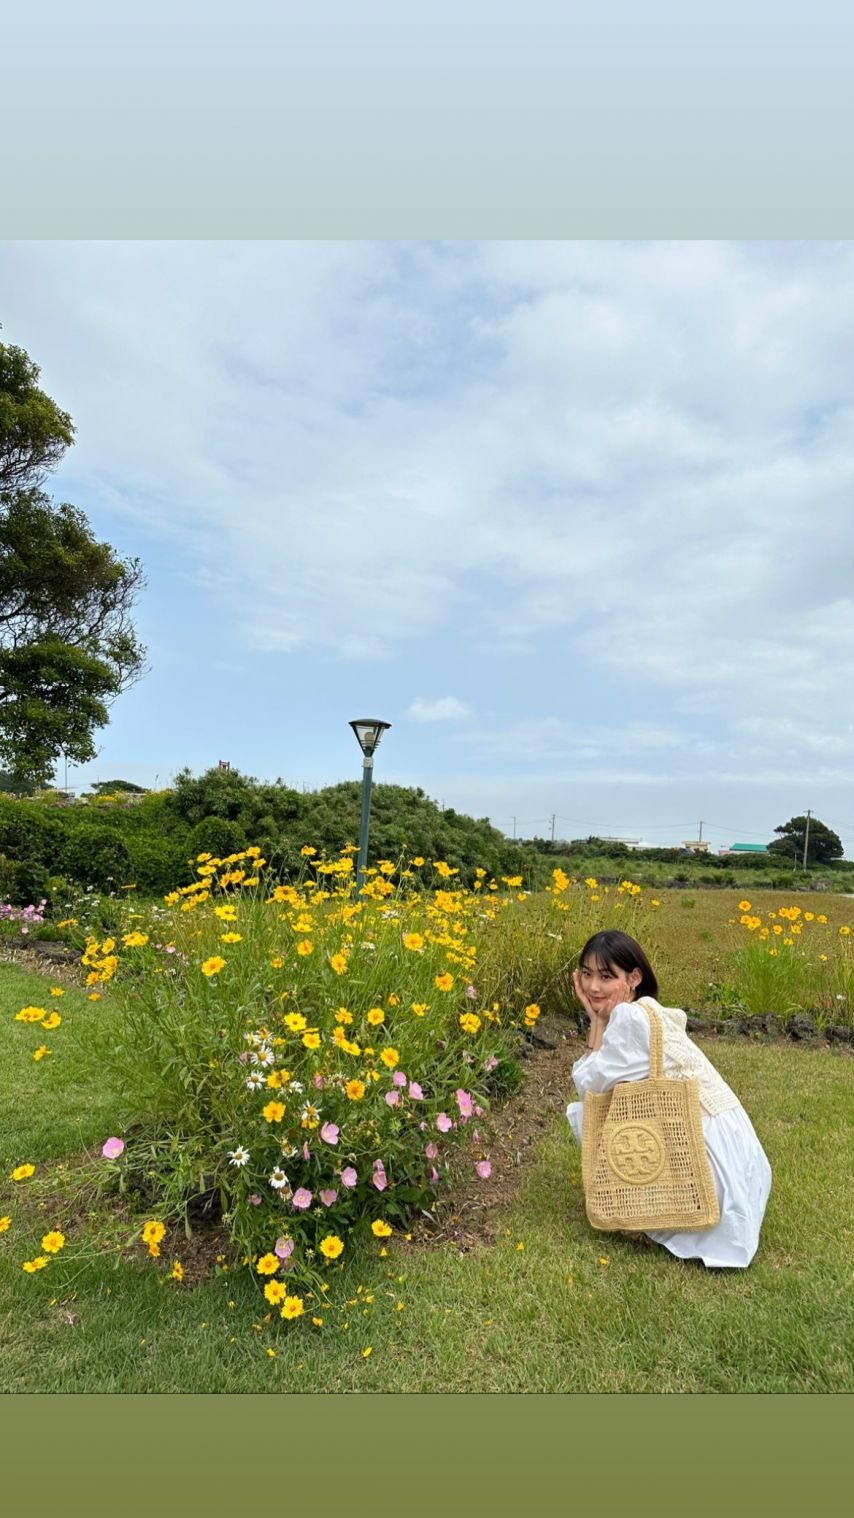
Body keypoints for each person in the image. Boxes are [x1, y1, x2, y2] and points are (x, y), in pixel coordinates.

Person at [565, 929, 772, 1268]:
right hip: (741, 1163)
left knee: (591, 1111)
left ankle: (653, 1220)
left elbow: (589, 1085)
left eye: (606, 976)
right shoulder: (650, 1009)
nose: (593, 988)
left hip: (710, 1171)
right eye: (586, 974)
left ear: (634, 977)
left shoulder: (630, 1019)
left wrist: (594, 1021)